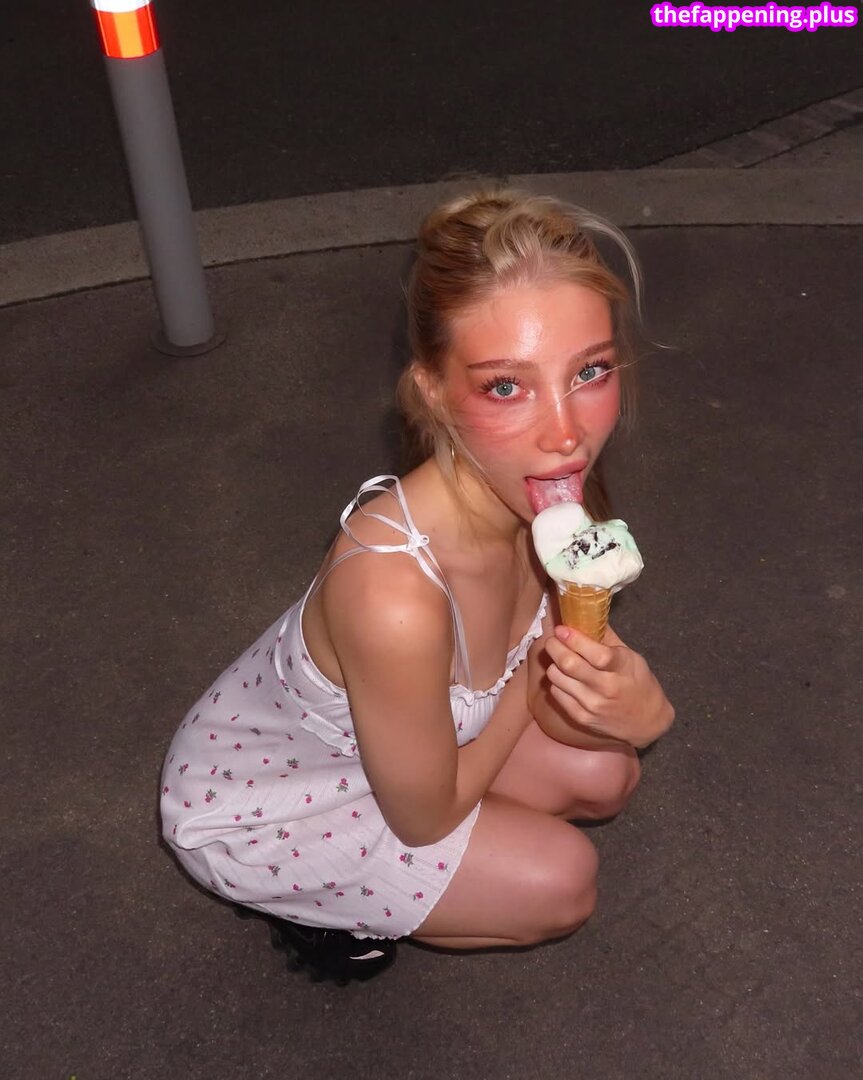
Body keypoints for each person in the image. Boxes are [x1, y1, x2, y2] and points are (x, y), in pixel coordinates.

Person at [159, 187, 675, 983]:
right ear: (432, 389)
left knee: (606, 771)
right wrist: (539, 680)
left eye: (589, 371)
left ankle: (452, 853)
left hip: (410, 743)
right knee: (560, 882)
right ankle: (311, 906)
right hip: (267, 798)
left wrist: (636, 713)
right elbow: (425, 816)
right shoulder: (391, 593)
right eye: (505, 386)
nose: (566, 432)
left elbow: (558, 699)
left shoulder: (546, 496)